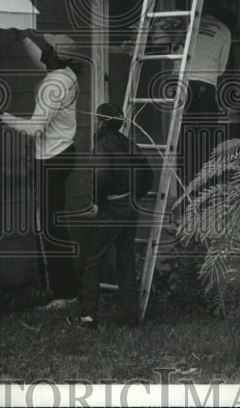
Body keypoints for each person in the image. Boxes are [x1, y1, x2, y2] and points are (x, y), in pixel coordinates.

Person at [0, 31, 80, 307]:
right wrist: (23, 37)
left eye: (45, 46)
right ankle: (64, 289)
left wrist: (2, 115)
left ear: (53, 55)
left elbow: (35, 128)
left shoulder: (53, 86)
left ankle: (64, 294)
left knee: (50, 227)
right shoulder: (66, 73)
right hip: (62, 153)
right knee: (51, 223)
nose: (41, 47)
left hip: (52, 158)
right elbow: (42, 61)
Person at [73, 103, 155, 330]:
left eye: (97, 120)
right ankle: (129, 317)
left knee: (94, 259)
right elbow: (148, 173)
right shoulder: (127, 142)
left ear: (101, 122)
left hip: (113, 207)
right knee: (126, 258)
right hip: (131, 206)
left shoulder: (102, 144)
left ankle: (88, 316)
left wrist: (100, 202)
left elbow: (101, 176)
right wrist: (135, 195)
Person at [180, 9, 237, 184]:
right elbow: (221, 68)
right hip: (206, 85)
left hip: (184, 83)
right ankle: (203, 182)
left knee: (184, 135)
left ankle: (184, 181)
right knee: (205, 136)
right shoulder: (225, 30)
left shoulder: (192, 24)